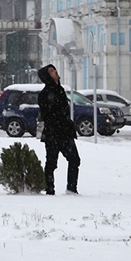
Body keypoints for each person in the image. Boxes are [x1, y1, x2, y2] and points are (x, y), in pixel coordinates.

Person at [37, 64, 80, 195]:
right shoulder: (45, 94)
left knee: (74, 160)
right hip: (53, 133)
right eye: (51, 71)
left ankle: (72, 189)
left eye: (54, 69)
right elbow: (46, 114)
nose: (55, 72)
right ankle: (50, 189)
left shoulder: (60, 89)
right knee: (51, 162)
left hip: (65, 132)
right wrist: (58, 121)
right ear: (46, 76)